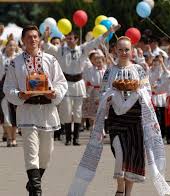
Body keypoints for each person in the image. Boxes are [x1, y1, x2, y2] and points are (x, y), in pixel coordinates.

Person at [68, 36, 170, 196]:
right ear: (115, 50)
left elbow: (146, 90)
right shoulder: (110, 71)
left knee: (132, 156)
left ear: (131, 51)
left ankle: (128, 192)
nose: (124, 52)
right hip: (116, 119)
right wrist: (110, 95)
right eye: (121, 49)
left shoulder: (139, 69)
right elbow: (103, 92)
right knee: (120, 153)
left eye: (127, 49)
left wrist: (137, 92)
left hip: (135, 118)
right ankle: (119, 189)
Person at [3, 25, 68, 196]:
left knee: (46, 154)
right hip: (27, 111)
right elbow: (8, 87)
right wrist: (19, 95)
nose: (32, 40)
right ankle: (36, 191)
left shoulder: (50, 60)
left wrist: (55, 93)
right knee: (31, 152)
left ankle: (32, 184)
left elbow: (62, 82)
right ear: (23, 41)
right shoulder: (15, 63)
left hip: (47, 110)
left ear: (39, 39)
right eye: (29, 37)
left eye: (35, 36)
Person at [43, 26, 119, 146]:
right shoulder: (61, 50)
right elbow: (47, 47)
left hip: (78, 82)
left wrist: (109, 32)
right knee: (67, 111)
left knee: (78, 112)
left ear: (77, 39)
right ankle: (68, 137)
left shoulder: (82, 49)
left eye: (71, 38)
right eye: (67, 38)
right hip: (66, 83)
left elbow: (96, 41)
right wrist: (46, 38)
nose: (69, 40)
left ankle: (76, 138)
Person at [0, 39, 19, 147]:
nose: (11, 47)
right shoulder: (2, 58)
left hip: (15, 89)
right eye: (10, 45)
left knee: (14, 115)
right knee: (6, 116)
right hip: (3, 89)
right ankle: (8, 136)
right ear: (6, 46)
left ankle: (13, 138)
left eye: (13, 45)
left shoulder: (18, 57)